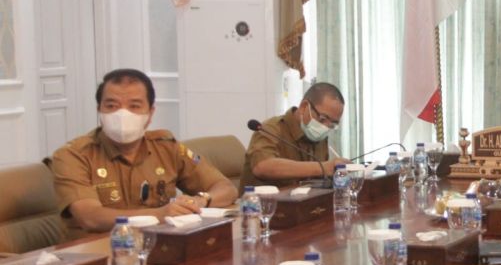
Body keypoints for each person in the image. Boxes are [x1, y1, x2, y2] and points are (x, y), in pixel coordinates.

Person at [50, 69, 238, 233]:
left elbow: (226, 189)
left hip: (158, 248)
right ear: (99, 110)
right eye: (111, 106)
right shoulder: (73, 155)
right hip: (97, 257)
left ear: (150, 113)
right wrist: (159, 215)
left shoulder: (166, 147)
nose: (123, 114)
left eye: (134, 106)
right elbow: (90, 217)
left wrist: (201, 200)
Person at [240, 82, 345, 190]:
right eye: (322, 119)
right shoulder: (271, 128)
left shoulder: (319, 136)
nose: (326, 127)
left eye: (332, 124)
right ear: (304, 107)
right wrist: (323, 167)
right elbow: (262, 166)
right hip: (260, 204)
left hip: (306, 202)